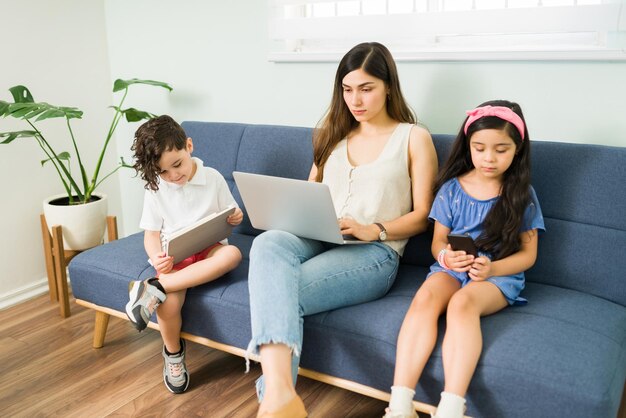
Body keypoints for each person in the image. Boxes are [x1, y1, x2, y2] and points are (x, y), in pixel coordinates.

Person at [246, 42, 438, 418]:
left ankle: (274, 397)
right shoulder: (330, 134)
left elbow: (423, 216)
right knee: (267, 244)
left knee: (277, 290)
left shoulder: (413, 137)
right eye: (347, 89)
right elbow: (307, 194)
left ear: (388, 86)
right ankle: (281, 397)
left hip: (373, 253)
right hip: (317, 236)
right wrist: (291, 216)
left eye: (366, 88)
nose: (356, 99)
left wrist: (375, 229)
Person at [384, 100, 545, 418]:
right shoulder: (451, 190)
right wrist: (446, 256)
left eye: (501, 149)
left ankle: (451, 407)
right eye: (480, 147)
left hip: (497, 274)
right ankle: (400, 404)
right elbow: (437, 243)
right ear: (468, 145)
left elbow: (528, 255)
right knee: (426, 296)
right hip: (452, 266)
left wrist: (493, 268)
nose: (489, 157)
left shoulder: (521, 195)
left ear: (517, 149)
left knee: (461, 305)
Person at [125, 115, 243, 394]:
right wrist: (156, 258)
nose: (173, 176)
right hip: (175, 257)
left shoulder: (213, 177)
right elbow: (152, 234)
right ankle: (173, 354)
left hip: (209, 247)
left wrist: (235, 216)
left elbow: (230, 213)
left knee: (233, 254)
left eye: (177, 165)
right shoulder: (155, 188)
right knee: (167, 305)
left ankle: (153, 288)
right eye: (163, 172)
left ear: (188, 146)